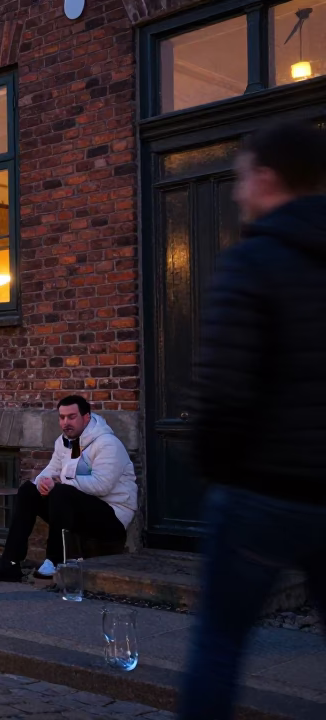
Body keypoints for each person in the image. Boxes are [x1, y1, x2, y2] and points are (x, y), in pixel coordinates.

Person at [180, 122, 326, 720]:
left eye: (241, 177)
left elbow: (222, 389)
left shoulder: (253, 262)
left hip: (260, 490)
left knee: (219, 645)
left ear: (266, 179)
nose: (237, 192)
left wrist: (215, 469)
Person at [0, 395, 136, 583]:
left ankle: (55, 559)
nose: (65, 423)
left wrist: (59, 483)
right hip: (77, 510)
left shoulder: (107, 444)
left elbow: (102, 485)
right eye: (62, 417)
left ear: (86, 417)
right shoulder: (63, 441)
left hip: (112, 517)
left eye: (71, 417)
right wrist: (42, 482)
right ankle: (10, 563)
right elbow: (51, 470)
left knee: (61, 492)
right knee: (29, 490)